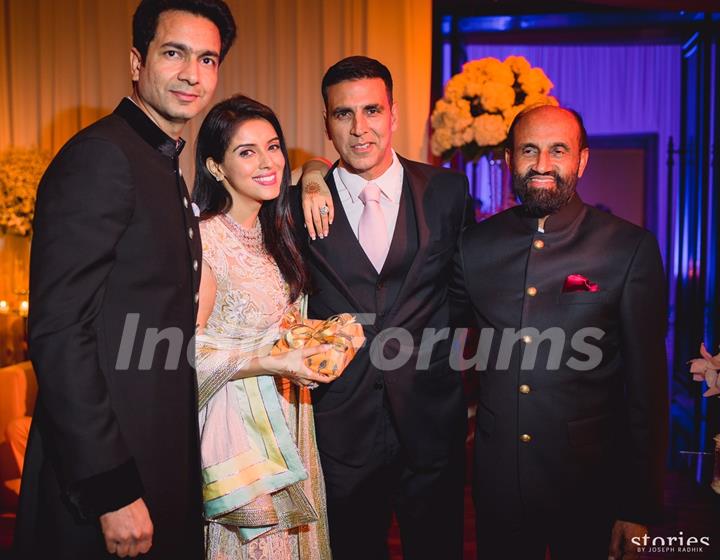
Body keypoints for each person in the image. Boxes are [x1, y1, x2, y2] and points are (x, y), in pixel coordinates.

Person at [15, 1, 236, 557]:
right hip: (105, 475)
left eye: (207, 59)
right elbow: (59, 330)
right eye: (173, 53)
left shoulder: (158, 161)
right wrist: (110, 490)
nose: (192, 73)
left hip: (154, 455)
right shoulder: (102, 156)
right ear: (137, 61)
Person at [453, 104, 668, 560]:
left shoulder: (629, 248)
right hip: (498, 489)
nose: (543, 165)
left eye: (558, 150)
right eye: (529, 150)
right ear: (508, 159)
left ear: (582, 160)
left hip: (591, 486)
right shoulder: (475, 246)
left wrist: (639, 504)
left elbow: (647, 391)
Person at [295, 56, 473, 560]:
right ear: (327, 123)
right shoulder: (296, 203)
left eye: (372, 109)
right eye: (343, 113)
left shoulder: (448, 192)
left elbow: (461, 294)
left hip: (431, 421)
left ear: (393, 114)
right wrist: (310, 172)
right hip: (340, 428)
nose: (360, 127)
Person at [193, 95, 332, 560]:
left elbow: (321, 159)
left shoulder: (273, 233)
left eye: (273, 147)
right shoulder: (205, 241)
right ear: (216, 167)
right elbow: (181, 353)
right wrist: (271, 360)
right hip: (239, 429)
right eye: (246, 152)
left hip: (290, 414)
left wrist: (316, 338)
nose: (268, 162)